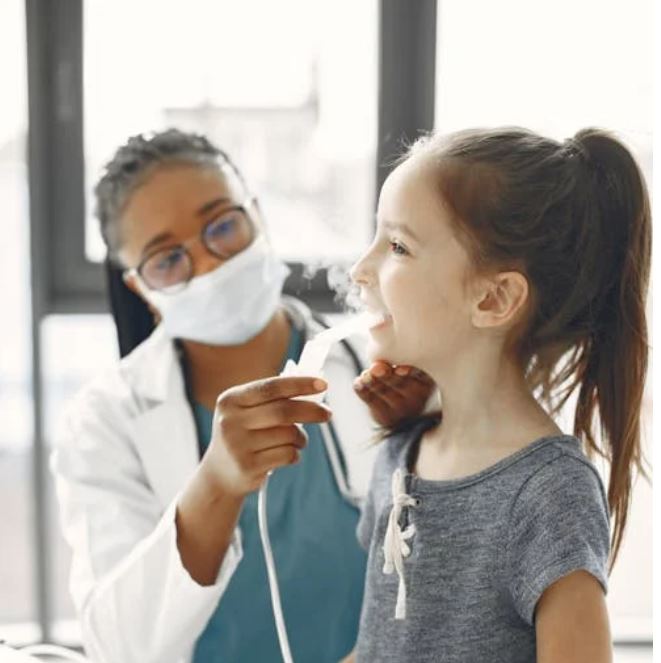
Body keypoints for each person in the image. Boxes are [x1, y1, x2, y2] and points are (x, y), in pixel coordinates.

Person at [51, 129, 435, 663]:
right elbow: (120, 648)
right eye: (168, 259)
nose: (209, 265)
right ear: (142, 289)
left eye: (223, 226)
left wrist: (425, 439)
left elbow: (452, 574)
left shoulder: (383, 373)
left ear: (259, 216)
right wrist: (215, 486)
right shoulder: (106, 421)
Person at [345, 127, 650, 662]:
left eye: (397, 246)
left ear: (494, 298)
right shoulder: (400, 454)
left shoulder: (549, 494)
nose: (360, 270)